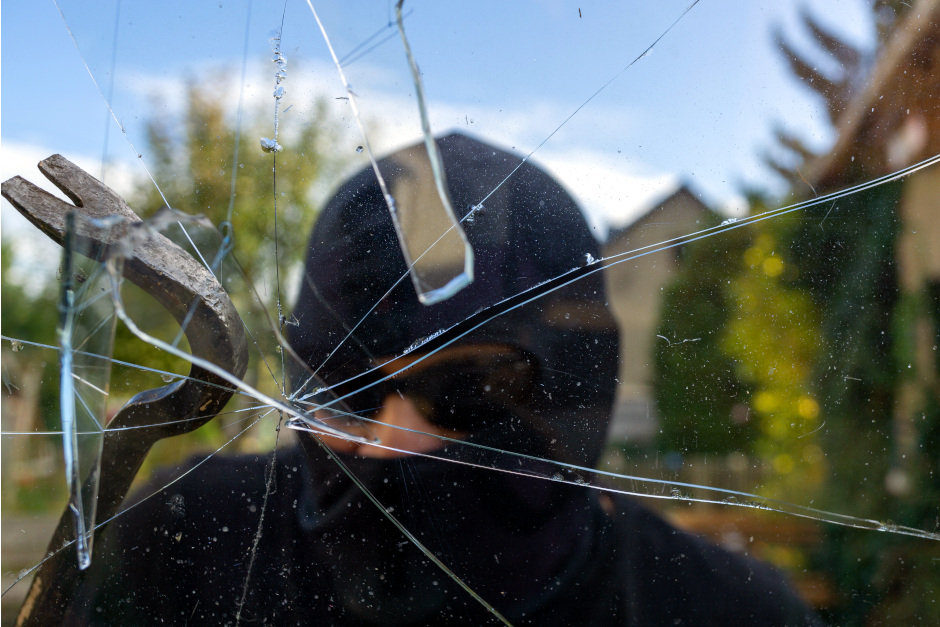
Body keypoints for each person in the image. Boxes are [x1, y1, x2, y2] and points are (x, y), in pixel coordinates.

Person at [67, 133, 821, 625]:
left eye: (469, 391)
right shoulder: (185, 539)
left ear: (575, 392)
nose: (390, 442)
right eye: (343, 390)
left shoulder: (726, 612)